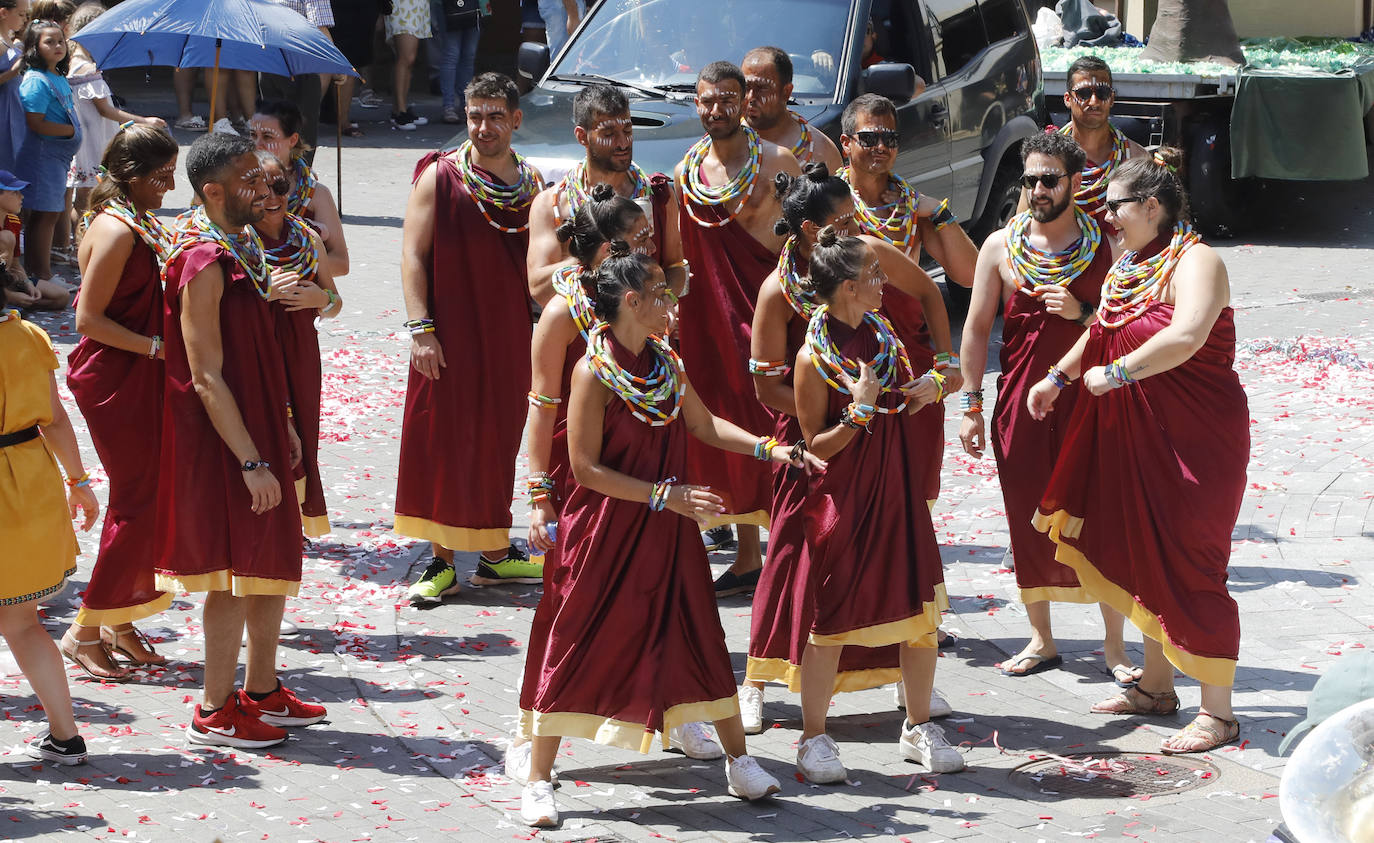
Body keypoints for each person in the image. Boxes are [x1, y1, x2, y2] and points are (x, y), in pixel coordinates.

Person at [515, 245, 820, 828]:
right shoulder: (591, 371)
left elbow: (703, 426)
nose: (672, 303)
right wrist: (665, 496)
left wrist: (771, 449)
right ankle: (539, 779)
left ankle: (738, 761)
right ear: (632, 302)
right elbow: (584, 469)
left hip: (670, 532)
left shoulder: (667, 364)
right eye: (661, 295)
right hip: (605, 531)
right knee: (577, 641)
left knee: (699, 633)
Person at [1028, 148, 1249, 754]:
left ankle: (1219, 712)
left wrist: (1116, 375)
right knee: (1140, 552)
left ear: (1152, 206)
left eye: (1116, 207)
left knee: (1190, 558)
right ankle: (1156, 686)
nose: (1108, 219)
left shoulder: (1198, 260)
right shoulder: (1129, 263)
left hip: (1194, 438)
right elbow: (1100, 328)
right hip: (1133, 433)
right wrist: (1058, 378)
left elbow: (1187, 334)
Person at [743, 164, 958, 735]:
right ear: (811, 230)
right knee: (796, 551)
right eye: (840, 221)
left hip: (878, 430)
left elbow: (931, 291)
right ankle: (757, 681)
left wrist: (946, 367)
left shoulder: (865, 259)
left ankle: (899, 679)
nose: (854, 228)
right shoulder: (778, 289)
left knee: (889, 551)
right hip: (811, 438)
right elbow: (766, 384)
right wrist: (836, 410)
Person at [156, 132, 326, 749]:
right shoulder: (202, 259)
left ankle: (261, 689)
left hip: (260, 426)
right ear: (213, 192)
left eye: (262, 177)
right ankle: (213, 709)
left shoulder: (245, 241)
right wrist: (251, 458)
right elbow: (205, 374)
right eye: (250, 180)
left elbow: (259, 348)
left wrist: (279, 424)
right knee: (231, 575)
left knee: (266, 563)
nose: (265, 189)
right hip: (226, 443)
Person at [958, 130, 1139, 683]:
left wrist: (1082, 312)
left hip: (1092, 398)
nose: (1037, 189)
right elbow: (976, 327)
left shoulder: (1107, 244)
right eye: (1030, 179)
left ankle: (1115, 647)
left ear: (1075, 181)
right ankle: (1041, 637)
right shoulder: (999, 246)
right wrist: (970, 403)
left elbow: (1128, 325)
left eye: (1049, 179)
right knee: (1025, 513)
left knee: (1101, 511)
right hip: (1020, 400)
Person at [791, 226, 963, 781]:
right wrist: (857, 413)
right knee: (831, 619)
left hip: (896, 489)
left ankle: (917, 725)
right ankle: (813, 738)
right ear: (845, 287)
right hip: (845, 498)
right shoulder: (812, 357)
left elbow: (907, 392)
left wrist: (931, 387)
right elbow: (813, 447)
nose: (882, 281)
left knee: (919, 616)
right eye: (871, 275)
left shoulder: (881, 332)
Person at [397, 73, 543, 603]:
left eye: (495, 115)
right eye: (475, 114)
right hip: (448, 332)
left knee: (499, 439)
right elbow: (413, 254)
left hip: (507, 334)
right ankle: (439, 563)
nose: (484, 126)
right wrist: (421, 329)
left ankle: (495, 557)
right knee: (444, 439)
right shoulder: (439, 176)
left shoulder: (533, 184)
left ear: (516, 119)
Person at [673, 60, 799, 594]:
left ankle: (791, 547)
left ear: (745, 101)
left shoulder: (778, 162)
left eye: (727, 99)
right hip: (709, 321)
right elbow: (679, 251)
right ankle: (749, 555)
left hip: (769, 316)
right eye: (707, 100)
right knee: (727, 426)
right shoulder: (686, 171)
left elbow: (804, 242)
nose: (716, 110)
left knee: (778, 424)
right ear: (696, 104)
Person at [62, 124, 178, 681]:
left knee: (151, 496)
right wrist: (159, 347)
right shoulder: (115, 229)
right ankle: (84, 630)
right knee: (138, 500)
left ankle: (120, 622)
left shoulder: (138, 217)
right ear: (130, 178)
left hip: (138, 371)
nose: (171, 184)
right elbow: (87, 320)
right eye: (161, 176)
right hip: (116, 376)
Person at [1, 305, 99, 764]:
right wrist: (79, 483)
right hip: (28, 480)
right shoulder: (28, 335)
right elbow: (55, 419)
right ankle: (66, 736)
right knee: (23, 625)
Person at [526, 83, 684, 307]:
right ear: (582, 136)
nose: (622, 143)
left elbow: (676, 266)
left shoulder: (658, 195)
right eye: (609, 134)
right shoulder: (551, 204)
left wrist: (663, 303)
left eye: (627, 132)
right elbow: (539, 288)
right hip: (582, 334)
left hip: (645, 335)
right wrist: (596, 254)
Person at [255, 149, 343, 540]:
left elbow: (335, 300)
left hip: (301, 352)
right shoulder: (238, 241)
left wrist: (319, 300)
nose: (271, 197)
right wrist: (264, 292)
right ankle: (264, 517)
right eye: (260, 189)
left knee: (303, 431)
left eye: (279, 186)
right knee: (266, 426)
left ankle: (292, 520)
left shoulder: (307, 237)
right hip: (258, 349)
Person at [66, 3, 166, 251]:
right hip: (92, 139)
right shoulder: (86, 68)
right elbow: (106, 110)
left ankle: (75, 244)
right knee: (87, 200)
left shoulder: (73, 62)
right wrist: (145, 121)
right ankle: (83, 246)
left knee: (82, 197)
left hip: (87, 136)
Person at [1019, 55, 1144, 222]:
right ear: (1067, 99)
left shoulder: (1134, 159)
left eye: (1102, 93)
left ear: (1112, 99)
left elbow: (1148, 229)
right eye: (1084, 93)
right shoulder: (1044, 158)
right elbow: (1021, 222)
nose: (1094, 101)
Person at [250, 100, 348, 279]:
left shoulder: (315, 194)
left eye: (267, 137)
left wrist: (283, 269)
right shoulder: (237, 186)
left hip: (300, 296)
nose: (257, 144)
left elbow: (341, 263)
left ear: (293, 140)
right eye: (253, 135)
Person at [15, 18, 79, 287]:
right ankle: (42, 275)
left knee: (50, 213)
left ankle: (41, 273)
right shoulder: (36, 81)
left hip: (56, 159)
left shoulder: (57, 76)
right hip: (43, 157)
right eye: (49, 42)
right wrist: (68, 132)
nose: (57, 46)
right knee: (44, 214)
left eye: (60, 41)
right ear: (34, 47)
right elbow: (35, 121)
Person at [741, 46, 842, 172]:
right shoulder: (720, 142)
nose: (751, 97)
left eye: (762, 88)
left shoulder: (821, 151)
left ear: (786, 92)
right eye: (745, 87)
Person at [0, 168, 68, 309]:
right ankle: (8, 302)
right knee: (6, 237)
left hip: (6, 279)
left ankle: (13, 304)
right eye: (15, 192)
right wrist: (10, 296)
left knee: (61, 297)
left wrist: (27, 283)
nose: (21, 197)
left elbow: (15, 263)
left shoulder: (13, 221)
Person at [384, 0, 432, 131]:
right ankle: (400, 111)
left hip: (416, 6)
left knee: (408, 59)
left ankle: (399, 108)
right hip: (404, 6)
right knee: (406, 58)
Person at [0, 0, 30, 172]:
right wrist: (13, 72)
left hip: (15, 109)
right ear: (4, 13)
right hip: (5, 112)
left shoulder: (8, 41)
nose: (25, 19)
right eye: (20, 14)